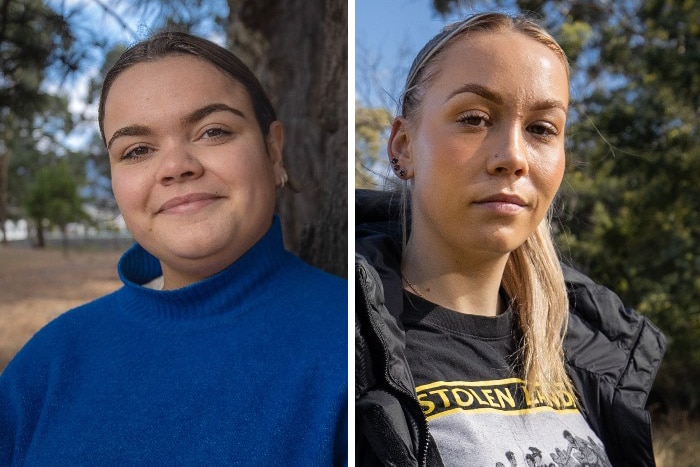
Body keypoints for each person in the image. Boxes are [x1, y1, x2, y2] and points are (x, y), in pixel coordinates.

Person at [0, 31, 347, 465]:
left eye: (212, 131)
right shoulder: (48, 362)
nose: (176, 167)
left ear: (273, 151)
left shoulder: (355, 343)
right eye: (137, 150)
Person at [355, 12, 665, 467]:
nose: (513, 157)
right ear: (402, 146)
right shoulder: (347, 346)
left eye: (541, 128)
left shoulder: (594, 351)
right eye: (475, 118)